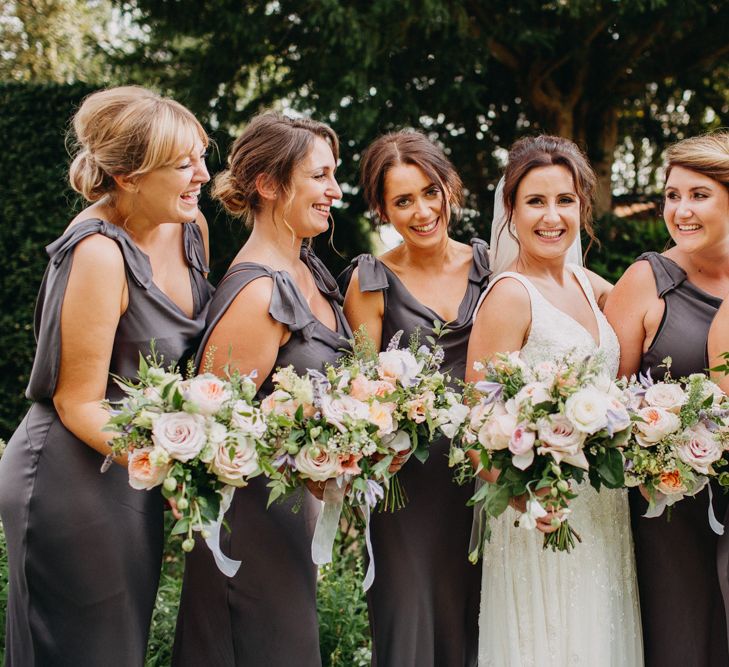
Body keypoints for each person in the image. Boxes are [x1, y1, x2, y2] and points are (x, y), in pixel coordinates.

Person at [0, 86, 212, 666]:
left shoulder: (188, 227)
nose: (202, 175)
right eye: (182, 164)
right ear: (128, 176)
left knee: (121, 646)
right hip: (70, 477)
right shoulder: (97, 253)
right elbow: (78, 403)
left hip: (131, 469)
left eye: (200, 155)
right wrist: (173, 465)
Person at [172, 112, 349, 667]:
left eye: (334, 175)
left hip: (291, 517)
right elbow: (213, 433)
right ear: (270, 185)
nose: (335, 191)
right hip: (249, 526)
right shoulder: (255, 293)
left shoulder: (312, 272)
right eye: (319, 176)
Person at [468, 135, 643, 666]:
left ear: (582, 206)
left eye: (565, 200)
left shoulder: (588, 283)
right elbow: (476, 427)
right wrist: (528, 497)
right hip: (540, 513)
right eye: (535, 202)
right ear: (511, 212)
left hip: (602, 508)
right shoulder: (509, 295)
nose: (552, 217)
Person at [340, 130, 486, 666]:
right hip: (407, 484)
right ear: (382, 209)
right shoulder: (371, 281)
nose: (422, 211)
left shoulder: (491, 267)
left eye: (430, 192)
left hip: (491, 472)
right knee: (411, 616)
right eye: (403, 200)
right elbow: (359, 391)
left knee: (479, 616)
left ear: (450, 187)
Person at [606, 131, 729, 666]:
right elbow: (609, 403)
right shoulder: (646, 282)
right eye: (672, 195)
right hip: (671, 507)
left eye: (698, 194)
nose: (680, 210)